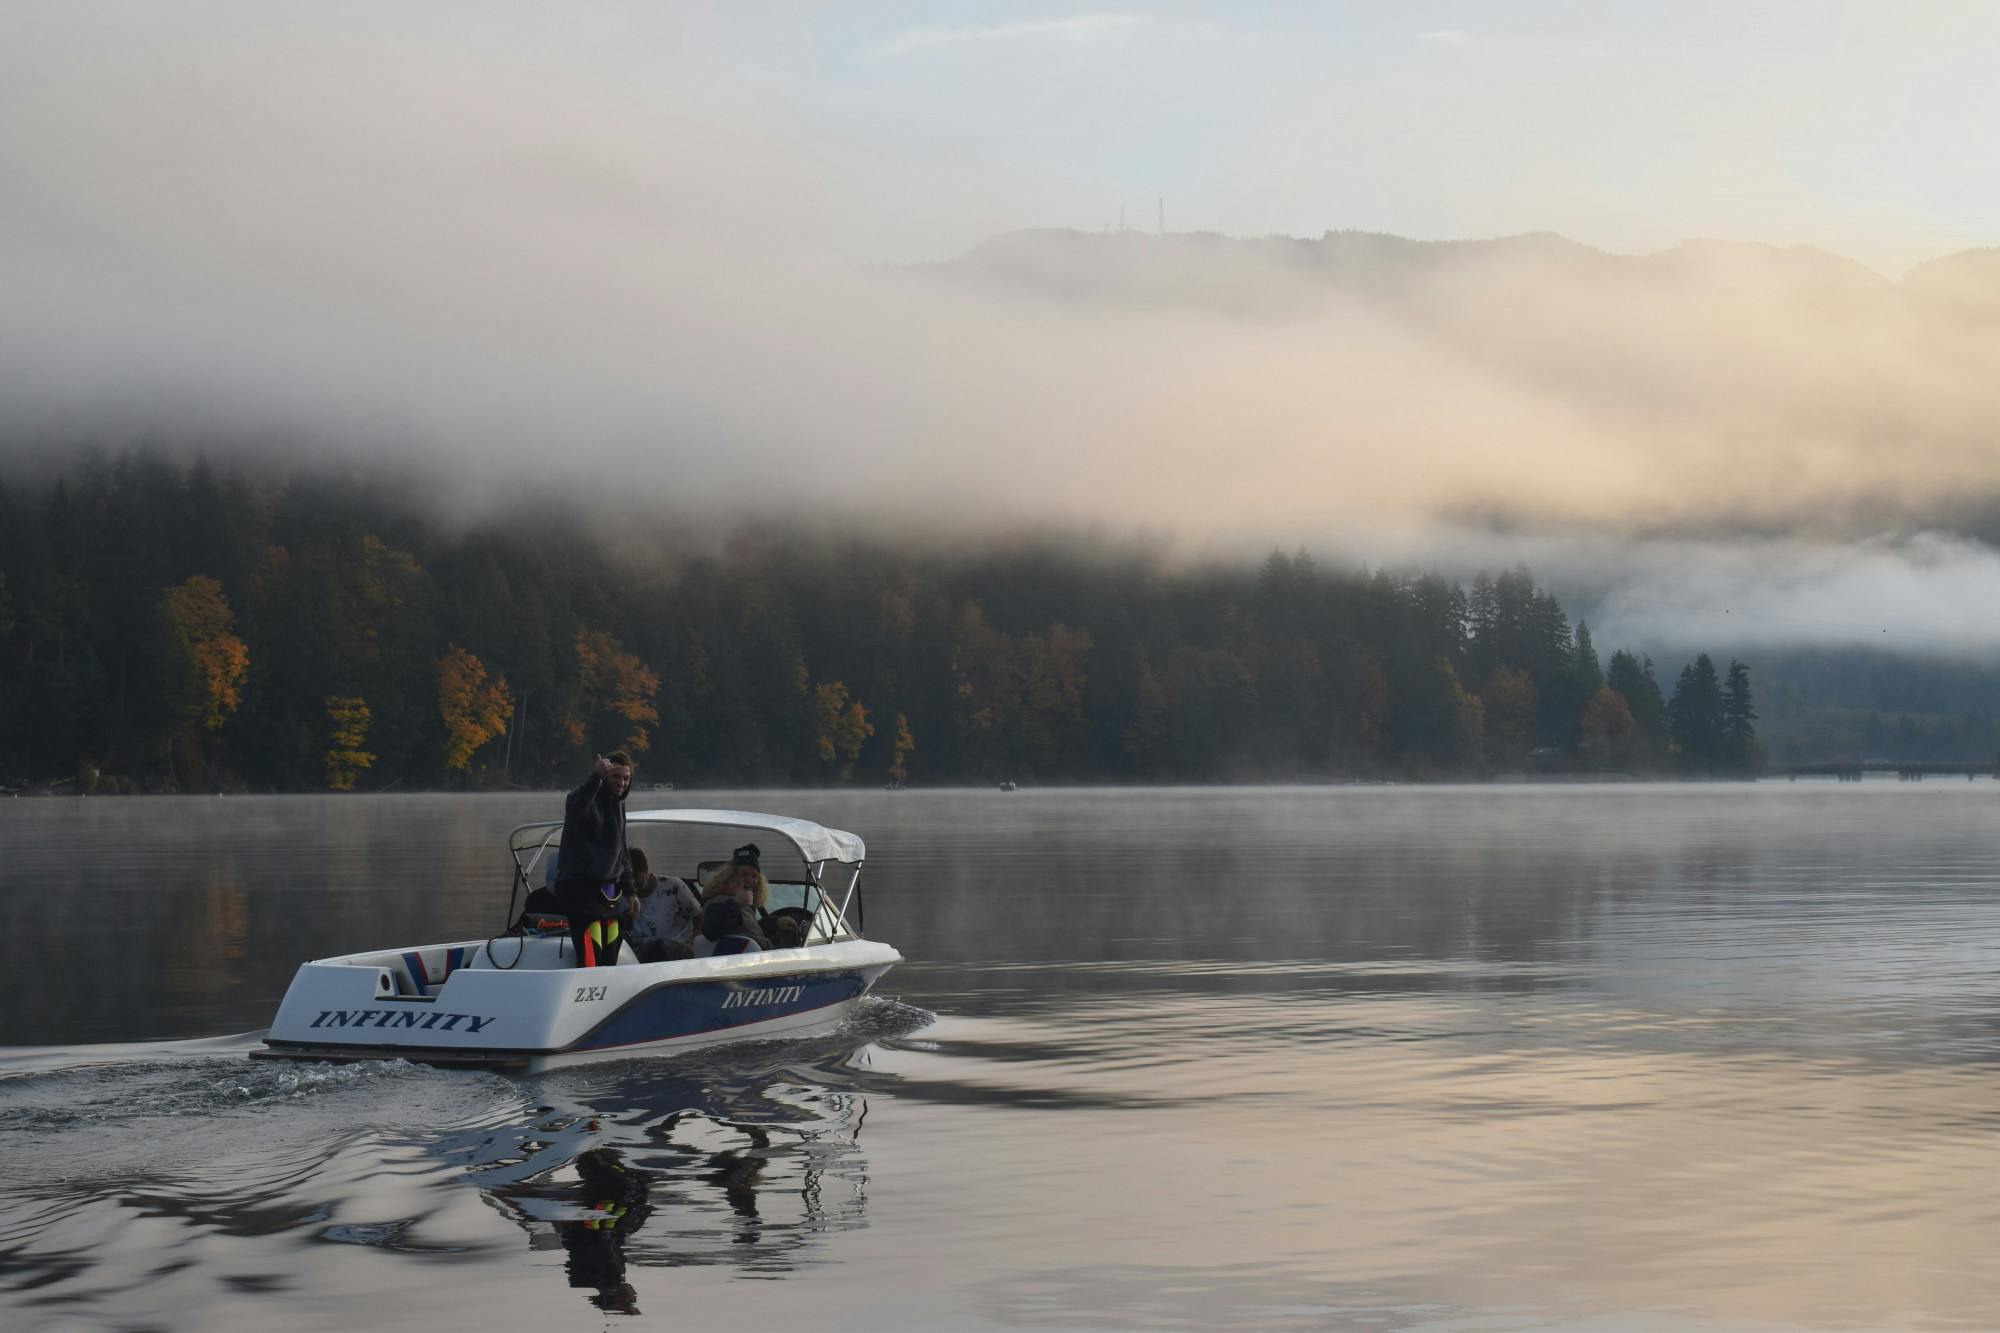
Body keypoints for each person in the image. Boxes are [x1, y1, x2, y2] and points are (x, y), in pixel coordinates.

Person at [554, 750, 634, 967]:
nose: (622, 782)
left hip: (609, 890)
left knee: (612, 942)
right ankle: (587, 986)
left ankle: (607, 988)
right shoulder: (585, 799)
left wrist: (630, 891)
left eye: (626, 778)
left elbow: (622, 851)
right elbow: (574, 805)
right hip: (580, 887)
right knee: (592, 944)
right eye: (616, 777)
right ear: (606, 777)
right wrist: (596, 777)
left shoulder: (618, 804)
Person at [625, 846, 701, 963]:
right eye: (628, 880)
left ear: (646, 870)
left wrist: (691, 943)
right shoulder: (624, 896)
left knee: (660, 945)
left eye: (635, 877)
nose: (632, 884)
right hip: (643, 954)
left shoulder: (674, 886)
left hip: (678, 950)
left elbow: (699, 916)